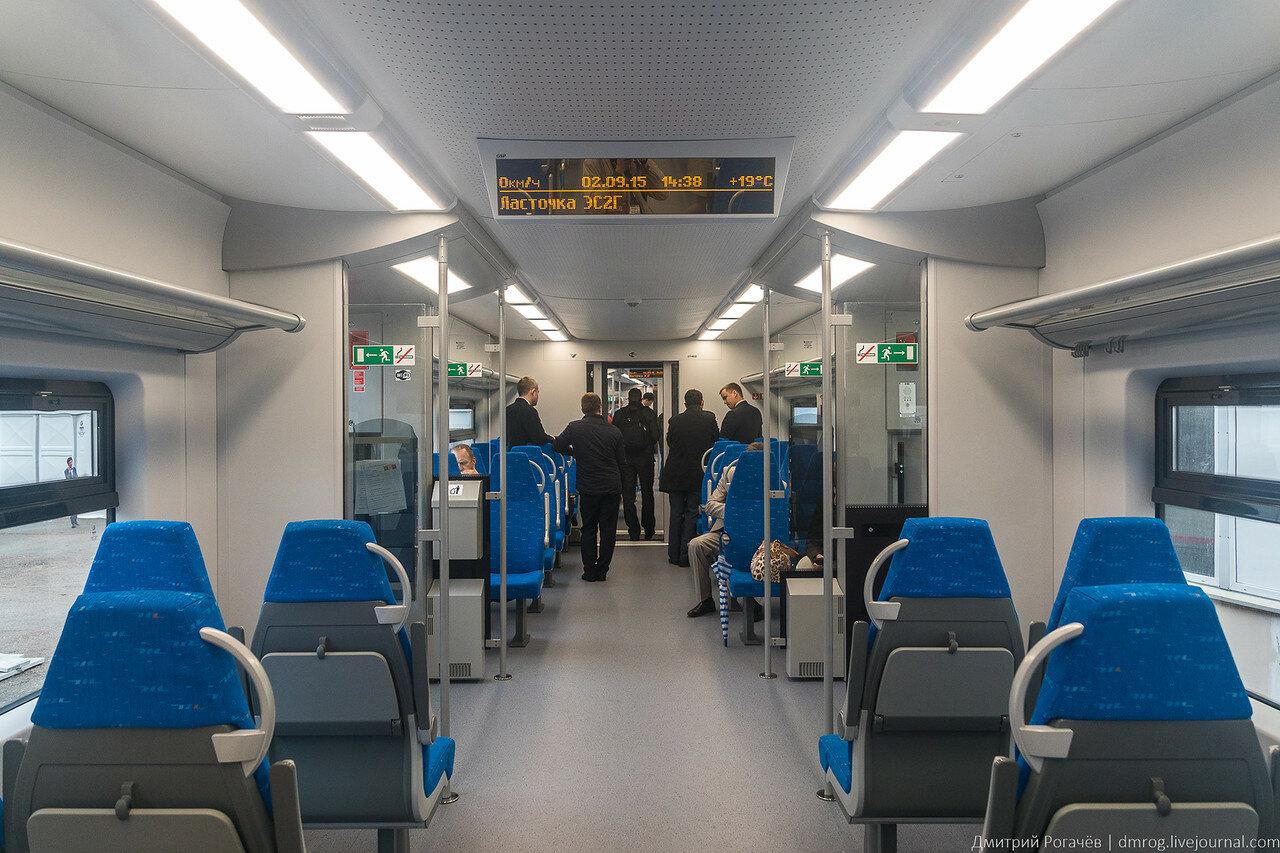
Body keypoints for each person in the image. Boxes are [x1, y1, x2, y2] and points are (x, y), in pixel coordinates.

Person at [554, 393, 626, 582]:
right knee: (608, 530)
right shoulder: (614, 431)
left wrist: (574, 452)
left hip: (588, 487)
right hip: (611, 486)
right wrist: (623, 490)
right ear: (600, 407)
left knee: (588, 528)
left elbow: (558, 445)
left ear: (582, 408)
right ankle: (602, 570)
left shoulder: (574, 427)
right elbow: (622, 463)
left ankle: (589, 570)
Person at [686, 441, 763, 617]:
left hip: (761, 536)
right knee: (696, 545)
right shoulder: (730, 473)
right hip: (727, 531)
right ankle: (705, 600)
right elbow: (710, 505)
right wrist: (734, 511)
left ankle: (754, 601)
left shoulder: (773, 479)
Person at [659, 389, 718, 567]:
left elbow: (670, 442)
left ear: (685, 404)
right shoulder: (709, 419)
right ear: (702, 402)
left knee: (676, 514)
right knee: (692, 513)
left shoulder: (675, 420)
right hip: (696, 474)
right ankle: (686, 556)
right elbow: (715, 442)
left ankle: (673, 554)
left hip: (675, 473)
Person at [612, 387, 659, 540]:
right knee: (647, 493)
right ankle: (649, 529)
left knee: (628, 495)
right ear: (640, 398)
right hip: (645, 459)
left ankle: (633, 530)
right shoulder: (648, 413)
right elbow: (656, 435)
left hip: (626, 459)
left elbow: (614, 437)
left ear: (628, 398)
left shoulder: (619, 414)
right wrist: (646, 444)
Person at [507, 376, 554, 447]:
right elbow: (539, 438)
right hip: (528, 452)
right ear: (533, 392)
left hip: (510, 452)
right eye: (537, 393)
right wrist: (552, 438)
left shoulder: (507, 410)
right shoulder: (530, 410)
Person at [64, 456, 79, 529]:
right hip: (70, 491)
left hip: (75, 489)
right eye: (70, 462)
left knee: (77, 506)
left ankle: (75, 520)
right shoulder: (66, 471)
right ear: (68, 463)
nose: (71, 463)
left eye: (71, 462)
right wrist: (69, 472)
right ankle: (72, 522)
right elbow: (68, 479)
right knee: (72, 506)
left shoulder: (74, 469)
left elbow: (76, 477)